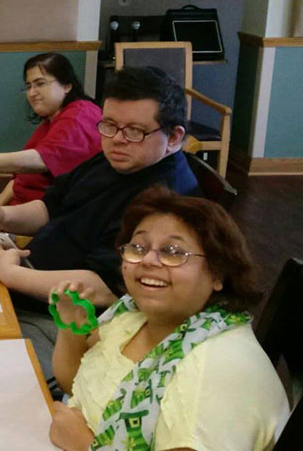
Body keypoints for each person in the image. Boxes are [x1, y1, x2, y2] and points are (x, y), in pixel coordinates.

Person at [0, 66, 200, 384]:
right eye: (109, 125)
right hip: (26, 281)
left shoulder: (165, 201)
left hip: (66, 322)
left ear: (173, 137)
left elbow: (105, 288)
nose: (117, 140)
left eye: (134, 131)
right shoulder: (116, 157)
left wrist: (11, 275)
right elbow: (52, 206)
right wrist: (3, 216)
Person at [48, 187, 289, 450]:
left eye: (173, 252)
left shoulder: (217, 366)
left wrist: (83, 445)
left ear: (218, 272)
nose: (148, 260)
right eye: (138, 247)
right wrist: (72, 326)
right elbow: (75, 383)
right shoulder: (132, 314)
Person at [0, 53, 101, 205]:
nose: (32, 93)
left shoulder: (80, 115)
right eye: (28, 86)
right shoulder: (51, 120)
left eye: (40, 84)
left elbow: (43, 159)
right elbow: (19, 181)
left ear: (67, 86)